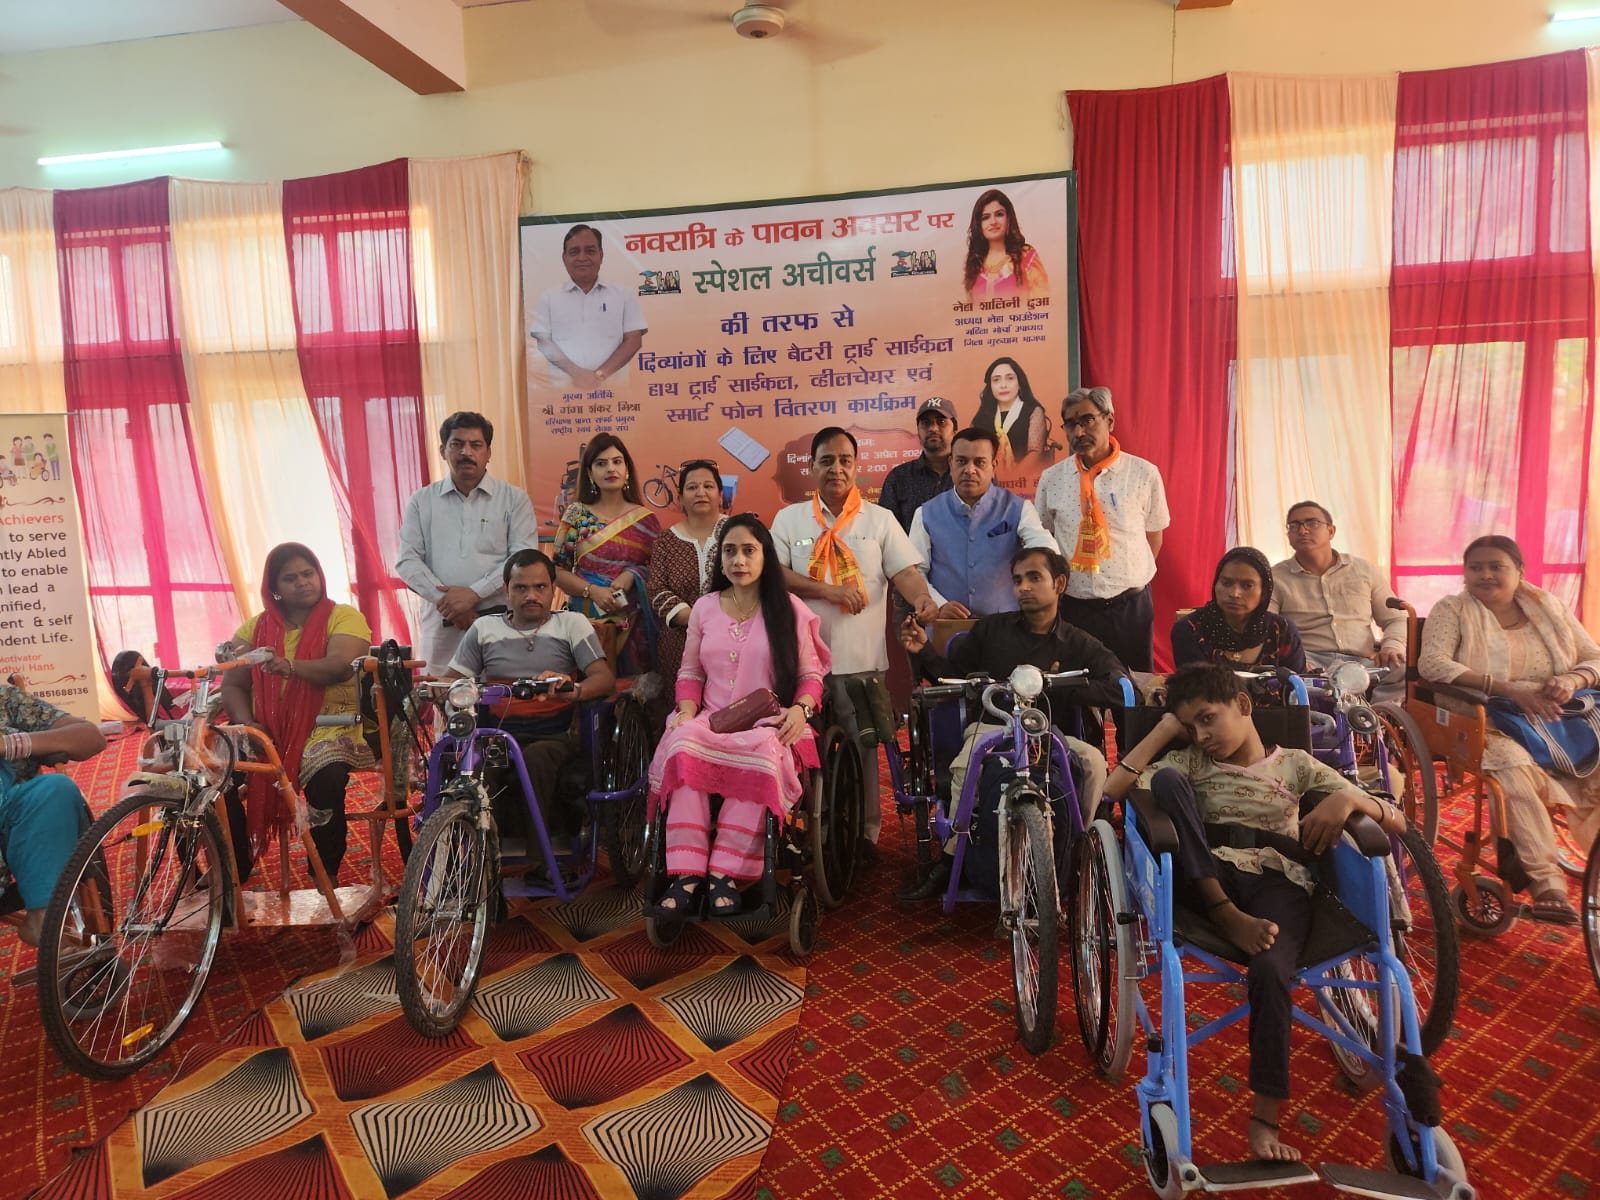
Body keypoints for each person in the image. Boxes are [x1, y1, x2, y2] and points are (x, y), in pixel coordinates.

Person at [1106, 661, 1406, 1163]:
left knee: (1271, 970)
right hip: (1205, 878)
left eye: (1208, 719)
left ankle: (1265, 1119)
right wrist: (1164, 730)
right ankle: (1224, 912)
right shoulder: (1190, 762)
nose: (1202, 736)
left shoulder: (1296, 765)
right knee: (1170, 782)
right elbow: (1114, 791)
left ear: (1243, 705)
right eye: (1191, 727)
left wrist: (1348, 799)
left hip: (1277, 882)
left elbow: (1396, 820)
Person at [896, 546, 1126, 901]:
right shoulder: (991, 630)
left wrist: (1063, 687)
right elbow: (951, 675)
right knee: (964, 768)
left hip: (1051, 734)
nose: (1024, 587)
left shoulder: (1079, 642)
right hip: (992, 728)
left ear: (1059, 584)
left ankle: (1074, 850)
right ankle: (950, 858)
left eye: (1034, 578)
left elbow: (1119, 685)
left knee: (1094, 762)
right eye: (1018, 580)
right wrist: (924, 649)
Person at [647, 514, 831, 916]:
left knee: (762, 754)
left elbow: (811, 676)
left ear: (766, 556)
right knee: (682, 743)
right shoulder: (705, 608)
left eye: (749, 550)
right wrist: (686, 712)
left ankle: (724, 872)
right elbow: (690, 673)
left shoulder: (790, 610)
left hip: (769, 721)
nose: (739, 560)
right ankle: (686, 872)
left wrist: (801, 711)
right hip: (711, 718)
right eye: (729, 551)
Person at [772, 428, 939, 864]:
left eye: (845, 460)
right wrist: (828, 591)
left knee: (864, 749)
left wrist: (922, 599)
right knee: (804, 751)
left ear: (856, 466)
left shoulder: (879, 520)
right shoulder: (789, 520)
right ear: (811, 467)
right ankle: (813, 831)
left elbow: (905, 572)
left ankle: (865, 834)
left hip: (862, 663)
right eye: (827, 460)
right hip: (802, 665)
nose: (837, 468)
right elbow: (775, 575)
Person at [1418, 535, 1600, 924]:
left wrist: (1573, 679)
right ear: (1465, 574)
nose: (1485, 574)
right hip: (1487, 720)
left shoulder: (1549, 607)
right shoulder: (1452, 609)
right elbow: (1432, 664)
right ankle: (1546, 884)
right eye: (1475, 567)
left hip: (1559, 716)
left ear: (1520, 571)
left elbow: (1593, 657)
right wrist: (1508, 690)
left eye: (1496, 567)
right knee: (1514, 771)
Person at [220, 543, 374, 880]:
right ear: (274, 588)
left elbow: (339, 667)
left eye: (308, 573)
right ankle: (234, 867)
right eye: (290, 578)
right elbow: (231, 684)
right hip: (263, 728)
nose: (303, 582)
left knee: (326, 777)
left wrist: (289, 667)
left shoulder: (343, 617)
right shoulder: (254, 629)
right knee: (213, 774)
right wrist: (248, 725)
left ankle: (324, 871)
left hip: (328, 725)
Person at [446, 550, 615, 846]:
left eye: (540, 587)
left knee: (535, 759)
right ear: (506, 590)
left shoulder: (571, 624)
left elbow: (604, 679)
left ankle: (542, 860)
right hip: (498, 735)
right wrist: (431, 687)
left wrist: (573, 689)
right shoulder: (484, 629)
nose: (531, 596)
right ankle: (482, 860)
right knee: (477, 768)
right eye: (521, 588)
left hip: (555, 735)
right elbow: (453, 679)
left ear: (553, 589)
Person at [1035, 386, 1170, 672]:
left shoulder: (1143, 474)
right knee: (1077, 686)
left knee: (1132, 688)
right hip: (1074, 608)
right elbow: (1046, 537)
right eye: (1070, 424)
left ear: (1109, 420)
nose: (1079, 432)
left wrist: (1127, 576)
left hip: (1129, 607)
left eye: (1087, 420)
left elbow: (1153, 536)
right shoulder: (1052, 479)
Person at [396, 412, 539, 673]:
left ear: (488, 452)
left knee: (502, 692)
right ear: (443, 450)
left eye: (475, 445)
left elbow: (523, 559)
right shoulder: (422, 501)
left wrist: (474, 594)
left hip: (500, 622)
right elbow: (407, 561)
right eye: (457, 444)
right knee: (441, 692)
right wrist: (448, 603)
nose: (466, 452)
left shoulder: (514, 499)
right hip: (442, 628)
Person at [908, 427, 1057, 620]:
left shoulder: (1019, 509)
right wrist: (938, 604)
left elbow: (1046, 550)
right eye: (961, 461)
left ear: (993, 466)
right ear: (951, 463)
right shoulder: (925, 513)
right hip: (946, 625)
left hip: (1006, 625)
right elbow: (915, 572)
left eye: (979, 462)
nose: (969, 470)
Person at [0, 684, 105, 945]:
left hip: (15, 818)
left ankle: (44, 919)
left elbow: (90, 737)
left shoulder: (5, 700)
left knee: (56, 789)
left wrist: (11, 744)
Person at [1270, 501, 1407, 699]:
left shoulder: (1363, 570)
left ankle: (1378, 716)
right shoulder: (1276, 578)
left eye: (1312, 523)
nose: (1303, 530)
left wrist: (1391, 646)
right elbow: (1270, 629)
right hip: (1310, 661)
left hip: (1364, 662)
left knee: (1401, 668)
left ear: (1331, 531)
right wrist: (1295, 659)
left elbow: (1395, 619)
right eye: (1294, 525)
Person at [553, 433, 662, 674]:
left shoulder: (646, 520)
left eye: (617, 461)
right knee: (591, 687)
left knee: (634, 692)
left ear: (627, 470)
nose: (610, 468)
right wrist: (593, 591)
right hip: (587, 623)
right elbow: (557, 571)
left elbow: (660, 572)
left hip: (635, 626)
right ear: (590, 474)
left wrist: (632, 574)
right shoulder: (577, 515)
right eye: (601, 463)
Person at [529, 224, 647, 389]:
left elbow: (633, 341)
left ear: (601, 255)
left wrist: (599, 375)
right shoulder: (548, 297)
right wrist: (577, 374)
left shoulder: (624, 295)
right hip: (561, 398)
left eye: (590, 251)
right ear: (564, 257)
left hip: (616, 397)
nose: (582, 257)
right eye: (574, 252)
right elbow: (543, 342)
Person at [648, 459, 728, 688]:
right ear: (681, 498)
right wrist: (695, 619)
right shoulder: (666, 540)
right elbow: (656, 589)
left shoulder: (740, 532)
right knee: (684, 702)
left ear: (720, 495)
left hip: (732, 637)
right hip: (679, 643)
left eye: (708, 486)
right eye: (692, 487)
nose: (701, 492)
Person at [1172, 547, 1307, 675]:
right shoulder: (1190, 629)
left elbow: (1298, 686)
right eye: (1226, 583)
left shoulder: (1282, 631)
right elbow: (1195, 687)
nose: (1234, 593)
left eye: (1247, 586)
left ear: (1264, 591)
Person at [878, 397, 957, 532]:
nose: (933, 428)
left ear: (955, 429)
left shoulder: (970, 474)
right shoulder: (898, 477)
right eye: (925, 423)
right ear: (918, 431)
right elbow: (885, 532)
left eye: (941, 422)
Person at [963, 188, 1050, 302]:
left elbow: (1044, 302)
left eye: (999, 214)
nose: (993, 222)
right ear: (979, 224)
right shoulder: (976, 262)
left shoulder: (1026, 256)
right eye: (985, 217)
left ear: (1008, 218)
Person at [970, 356, 1047, 471]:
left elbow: (1035, 453)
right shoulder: (983, 414)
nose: (1003, 385)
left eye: (1010, 378)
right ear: (990, 386)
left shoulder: (1033, 411)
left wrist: (1011, 478)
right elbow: (971, 451)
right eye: (996, 380)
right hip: (986, 479)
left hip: (1023, 478)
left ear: (1020, 383)